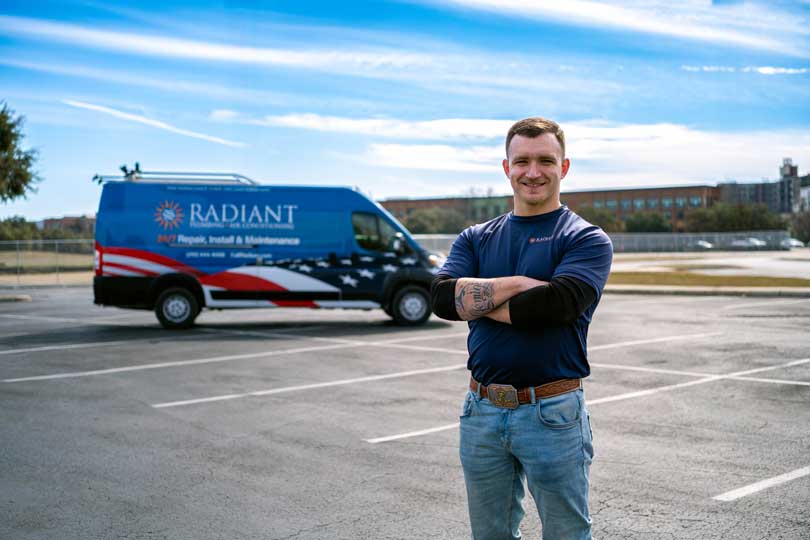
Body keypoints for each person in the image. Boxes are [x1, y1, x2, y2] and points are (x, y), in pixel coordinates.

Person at [430, 117, 613, 540]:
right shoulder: (475, 237)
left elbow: (554, 306)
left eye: (545, 160)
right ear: (506, 167)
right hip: (481, 412)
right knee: (490, 534)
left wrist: (475, 302)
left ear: (563, 167)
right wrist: (517, 286)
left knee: (566, 533)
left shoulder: (585, 239)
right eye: (522, 161)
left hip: (552, 412)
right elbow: (440, 299)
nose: (533, 172)